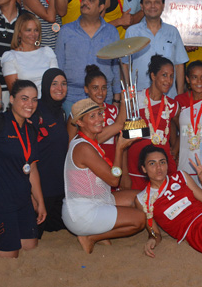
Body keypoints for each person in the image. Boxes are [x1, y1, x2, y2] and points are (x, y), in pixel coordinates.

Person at [62, 99, 145, 254]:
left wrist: (125, 98)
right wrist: (119, 148)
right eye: (92, 116)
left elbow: (120, 124)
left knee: (142, 197)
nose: (100, 119)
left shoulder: (90, 139)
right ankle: (93, 237)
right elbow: (114, 180)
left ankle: (100, 230)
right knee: (140, 220)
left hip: (97, 200)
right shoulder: (83, 147)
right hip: (83, 213)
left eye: (100, 114)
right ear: (80, 122)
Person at [0, 80, 46, 258]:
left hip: (22, 199)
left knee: (30, 246)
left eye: (34, 99)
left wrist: (40, 201)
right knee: (10, 256)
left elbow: (32, 167)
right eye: (24, 98)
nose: (30, 104)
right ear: (12, 99)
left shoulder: (31, 129)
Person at [56, 0, 121, 112]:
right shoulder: (66, 31)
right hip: (71, 98)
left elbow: (116, 68)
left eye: (91, 0)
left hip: (103, 98)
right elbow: (59, 66)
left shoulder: (111, 32)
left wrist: (117, 99)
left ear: (101, 7)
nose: (85, 3)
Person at [126, 55, 180, 190]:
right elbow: (123, 133)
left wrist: (175, 149)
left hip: (161, 166)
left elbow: (184, 129)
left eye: (171, 76)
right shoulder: (136, 99)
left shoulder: (172, 105)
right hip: (137, 164)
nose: (169, 81)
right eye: (164, 75)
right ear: (153, 76)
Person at [122, 0, 188, 98]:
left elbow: (179, 65)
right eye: (148, 3)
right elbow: (125, 64)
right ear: (142, 7)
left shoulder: (172, 31)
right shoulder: (132, 32)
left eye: (156, 2)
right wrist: (128, 93)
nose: (152, 6)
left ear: (163, 6)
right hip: (139, 96)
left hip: (168, 97)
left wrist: (180, 95)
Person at [66, 65, 125, 175]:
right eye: (95, 88)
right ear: (86, 89)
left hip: (112, 164)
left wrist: (124, 172)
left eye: (104, 88)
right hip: (88, 170)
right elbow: (70, 147)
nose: (100, 92)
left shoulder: (113, 110)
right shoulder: (77, 113)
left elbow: (120, 143)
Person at [32, 68, 69, 237]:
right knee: (33, 234)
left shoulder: (61, 112)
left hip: (59, 185)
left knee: (62, 225)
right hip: (41, 186)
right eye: (54, 84)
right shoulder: (35, 111)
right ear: (46, 86)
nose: (59, 88)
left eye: (63, 84)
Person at [1, 13, 58, 97]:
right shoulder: (10, 57)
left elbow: (56, 81)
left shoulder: (47, 52)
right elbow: (14, 91)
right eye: (28, 30)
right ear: (19, 33)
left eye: (36, 30)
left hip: (49, 102)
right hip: (26, 105)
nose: (33, 34)